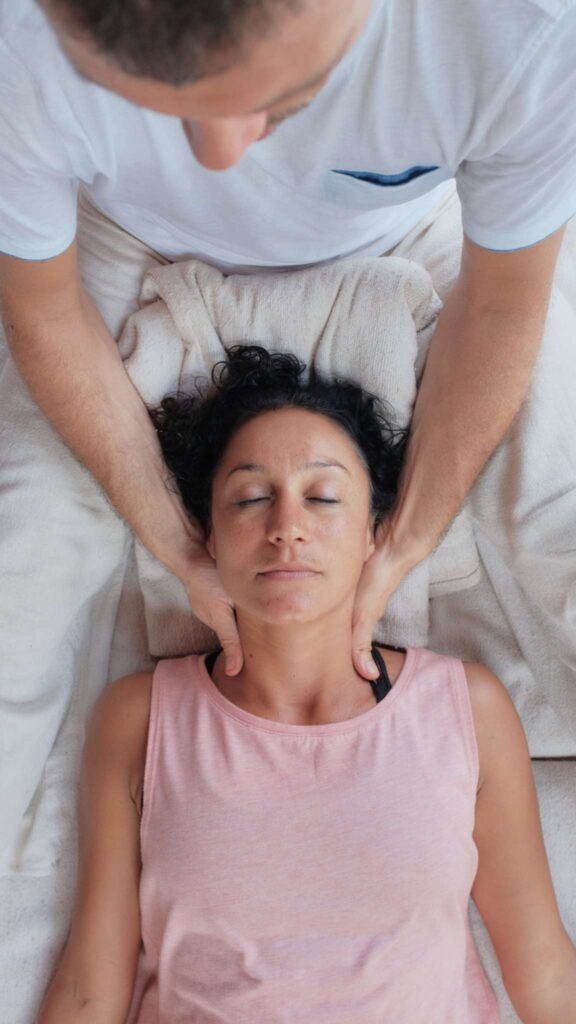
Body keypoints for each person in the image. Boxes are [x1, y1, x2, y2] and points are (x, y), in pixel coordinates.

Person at [1, 0, 576, 858]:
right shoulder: (18, 39)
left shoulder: (521, 30)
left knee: (552, 513)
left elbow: (500, 304)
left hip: (414, 238)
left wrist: (404, 545)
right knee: (25, 562)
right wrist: (171, 541)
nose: (220, 156)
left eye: (286, 97)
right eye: (156, 104)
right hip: (122, 244)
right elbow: (43, 312)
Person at [37, 347, 576, 1023]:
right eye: (251, 497)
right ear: (207, 537)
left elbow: (548, 977)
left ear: (377, 534)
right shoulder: (139, 718)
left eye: (322, 497)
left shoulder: (468, 710)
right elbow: (92, 987)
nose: (286, 527)